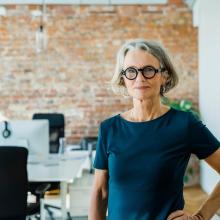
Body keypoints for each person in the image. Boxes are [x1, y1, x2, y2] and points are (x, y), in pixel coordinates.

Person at [88, 39, 220, 220]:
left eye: (149, 70)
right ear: (123, 78)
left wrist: (202, 216)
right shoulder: (109, 129)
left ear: (164, 75)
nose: (140, 78)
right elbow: (100, 192)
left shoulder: (183, 124)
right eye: (131, 71)